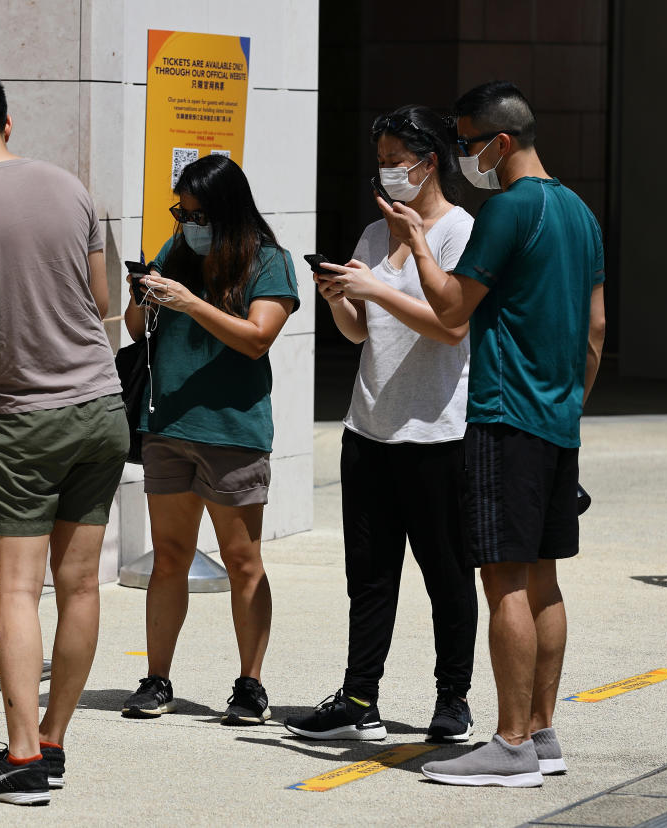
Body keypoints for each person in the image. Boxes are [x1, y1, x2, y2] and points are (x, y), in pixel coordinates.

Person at [382, 82, 606, 787]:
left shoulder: (508, 209)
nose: (464, 157)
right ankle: (541, 734)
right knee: (543, 578)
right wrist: (569, 403)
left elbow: (451, 308)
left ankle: (508, 745)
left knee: (502, 577)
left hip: (506, 416)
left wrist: (419, 246)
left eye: (468, 143)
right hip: (556, 422)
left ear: (501, 143)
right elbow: (596, 329)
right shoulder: (579, 211)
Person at [0, 66, 129, 806]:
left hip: (23, 413)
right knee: (79, 585)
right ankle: (54, 743)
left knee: (16, 587)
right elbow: (104, 301)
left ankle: (20, 759)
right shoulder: (73, 188)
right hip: (102, 406)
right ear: (6, 124)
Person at [283, 106, 479, 743]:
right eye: (381, 163)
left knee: (446, 574)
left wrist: (375, 291)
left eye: (400, 162)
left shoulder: (459, 232)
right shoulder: (372, 235)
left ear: (431, 162)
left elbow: (448, 327)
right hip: (368, 428)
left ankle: (453, 698)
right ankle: (359, 693)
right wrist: (341, 299)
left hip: (436, 433)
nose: (389, 174)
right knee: (368, 575)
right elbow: (363, 334)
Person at [119, 154, 299, 727]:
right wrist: (141, 295)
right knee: (169, 558)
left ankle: (250, 685)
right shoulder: (178, 251)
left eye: (196, 213)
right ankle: (156, 678)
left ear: (227, 212)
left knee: (242, 560)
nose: (186, 223)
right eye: (181, 212)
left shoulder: (269, 263)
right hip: (167, 426)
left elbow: (257, 339)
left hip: (231, 432)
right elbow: (136, 328)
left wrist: (190, 303)